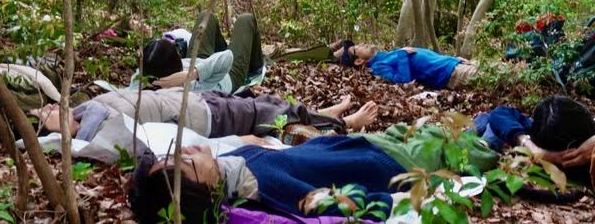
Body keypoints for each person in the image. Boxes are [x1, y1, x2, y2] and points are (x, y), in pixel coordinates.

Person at [128, 120, 498, 223]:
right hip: (389, 164)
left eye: (175, 153)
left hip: (360, 146)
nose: (187, 151)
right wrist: (414, 195)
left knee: (429, 127)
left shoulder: (230, 166)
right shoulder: (262, 188)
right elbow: (345, 205)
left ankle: (484, 125)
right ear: (205, 192)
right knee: (462, 144)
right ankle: (498, 132)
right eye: (187, 163)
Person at [29, 89, 379, 143]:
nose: (51, 108)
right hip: (202, 116)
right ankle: (344, 123)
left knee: (264, 101)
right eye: (47, 114)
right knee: (269, 113)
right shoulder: (93, 129)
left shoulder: (83, 109)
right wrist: (65, 128)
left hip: (193, 101)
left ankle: (322, 114)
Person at [475, 95, 595, 186]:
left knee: (487, 123)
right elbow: (499, 113)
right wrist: (532, 147)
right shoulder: (545, 131)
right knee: (488, 120)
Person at [143, 12, 264, 93]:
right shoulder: (196, 87)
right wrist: (191, 75)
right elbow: (227, 57)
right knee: (246, 19)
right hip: (225, 75)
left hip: (197, 61)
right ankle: (254, 67)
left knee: (206, 16)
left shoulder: (148, 81)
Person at [337, 42, 477, 90]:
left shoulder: (383, 56)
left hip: (454, 64)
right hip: (450, 74)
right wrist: (402, 54)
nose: (362, 44)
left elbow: (429, 58)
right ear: (358, 61)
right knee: (489, 78)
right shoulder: (378, 67)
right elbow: (403, 80)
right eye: (357, 48)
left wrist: (453, 58)